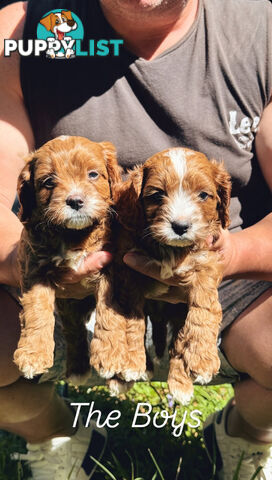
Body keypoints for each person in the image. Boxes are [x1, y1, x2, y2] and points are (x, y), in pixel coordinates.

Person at [0, 0, 272, 478]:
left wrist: (230, 254)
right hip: (64, 267)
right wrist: (25, 259)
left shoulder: (261, 27)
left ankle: (246, 434)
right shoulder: (23, 27)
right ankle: (55, 434)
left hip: (223, 273)